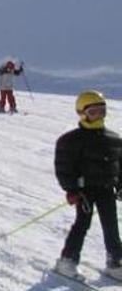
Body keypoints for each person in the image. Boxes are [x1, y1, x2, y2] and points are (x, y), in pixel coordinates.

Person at [53, 90, 122, 281]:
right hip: (84, 192)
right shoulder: (71, 140)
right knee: (82, 224)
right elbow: (64, 168)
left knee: (111, 225)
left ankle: (115, 262)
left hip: (106, 189)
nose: (99, 116)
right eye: (93, 112)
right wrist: (72, 189)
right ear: (82, 113)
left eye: (102, 111)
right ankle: (67, 261)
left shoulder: (114, 139)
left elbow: (119, 165)